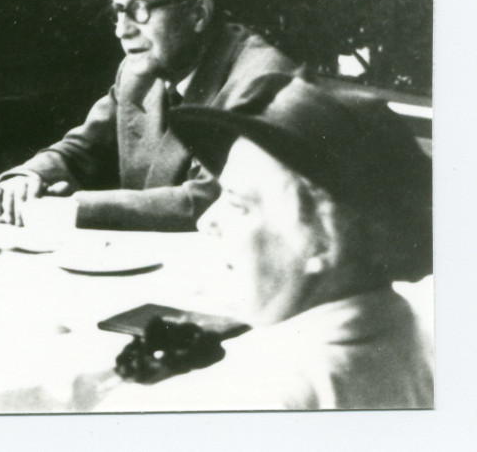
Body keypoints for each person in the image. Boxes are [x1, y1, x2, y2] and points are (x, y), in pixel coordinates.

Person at [87, 73, 433, 410]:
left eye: (239, 204)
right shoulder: (418, 345)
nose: (207, 220)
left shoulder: (261, 397)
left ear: (325, 239)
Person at [0, 0, 295, 231]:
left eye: (140, 9)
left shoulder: (260, 81)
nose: (122, 31)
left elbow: (207, 198)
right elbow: (82, 151)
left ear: (199, 14)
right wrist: (29, 177)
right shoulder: (141, 71)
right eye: (118, 11)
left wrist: (73, 209)